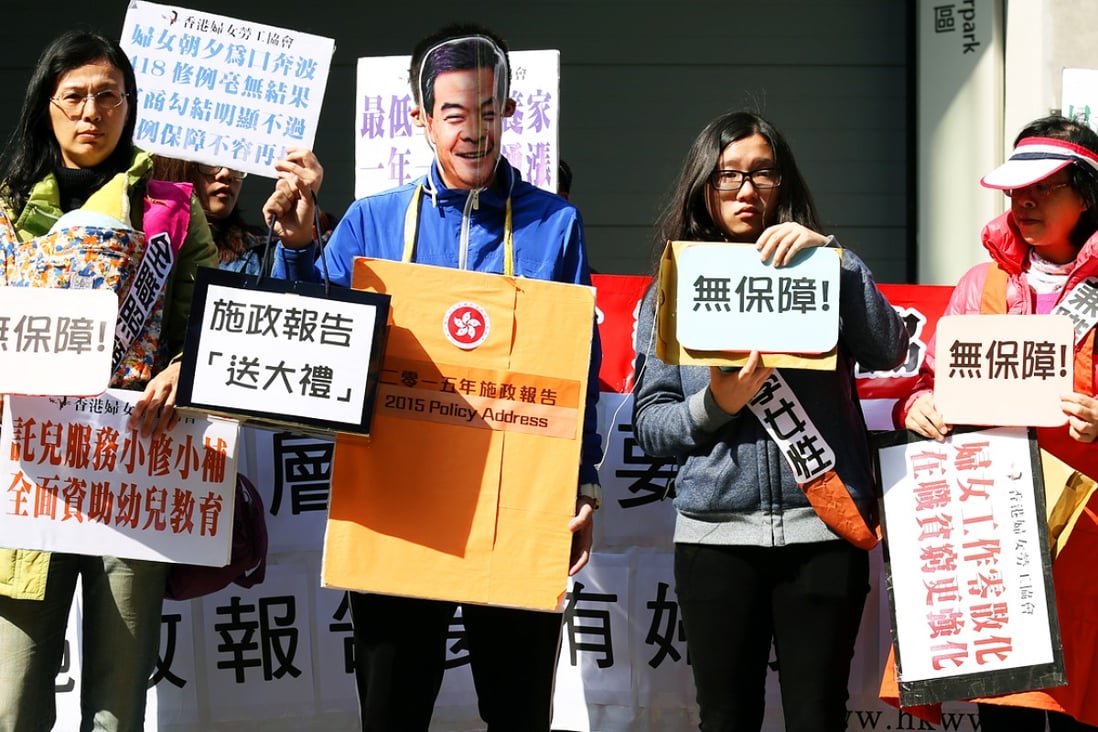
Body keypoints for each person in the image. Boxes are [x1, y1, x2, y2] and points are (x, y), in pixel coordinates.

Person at [263, 23, 603, 731]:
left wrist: (580, 487)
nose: (474, 131)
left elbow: (578, 364)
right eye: (454, 114)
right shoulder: (371, 222)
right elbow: (309, 344)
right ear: (420, 118)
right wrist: (297, 247)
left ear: (511, 111)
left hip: (516, 507)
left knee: (517, 714)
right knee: (393, 711)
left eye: (489, 110)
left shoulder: (555, 224)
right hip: (398, 505)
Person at [631, 110, 909, 732]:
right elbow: (650, 425)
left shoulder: (823, 270)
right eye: (728, 175)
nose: (746, 190)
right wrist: (717, 404)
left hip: (823, 528)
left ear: (784, 184)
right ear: (704, 185)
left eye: (763, 173)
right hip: (715, 539)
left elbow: (891, 348)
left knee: (818, 716)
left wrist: (837, 260)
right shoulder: (674, 287)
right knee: (726, 718)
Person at [0, 29, 217, 732]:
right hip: (27, 471)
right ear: (46, 105)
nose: (91, 112)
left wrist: (183, 369)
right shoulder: (6, 209)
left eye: (108, 96)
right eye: (74, 97)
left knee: (118, 706)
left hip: (134, 469)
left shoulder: (170, 209)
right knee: (12, 696)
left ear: (129, 106)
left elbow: (209, 324)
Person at [896, 115, 1098, 731]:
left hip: (1088, 536)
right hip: (998, 529)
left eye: (1043, 188)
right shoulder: (982, 284)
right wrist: (917, 406)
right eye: (1017, 190)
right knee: (1007, 713)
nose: (1024, 202)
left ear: (1087, 194)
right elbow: (931, 383)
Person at [152, 149, 324, 275]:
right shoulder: (142, 242)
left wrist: (296, 244)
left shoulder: (263, 252)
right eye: (209, 162)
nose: (226, 173)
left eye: (236, 161)